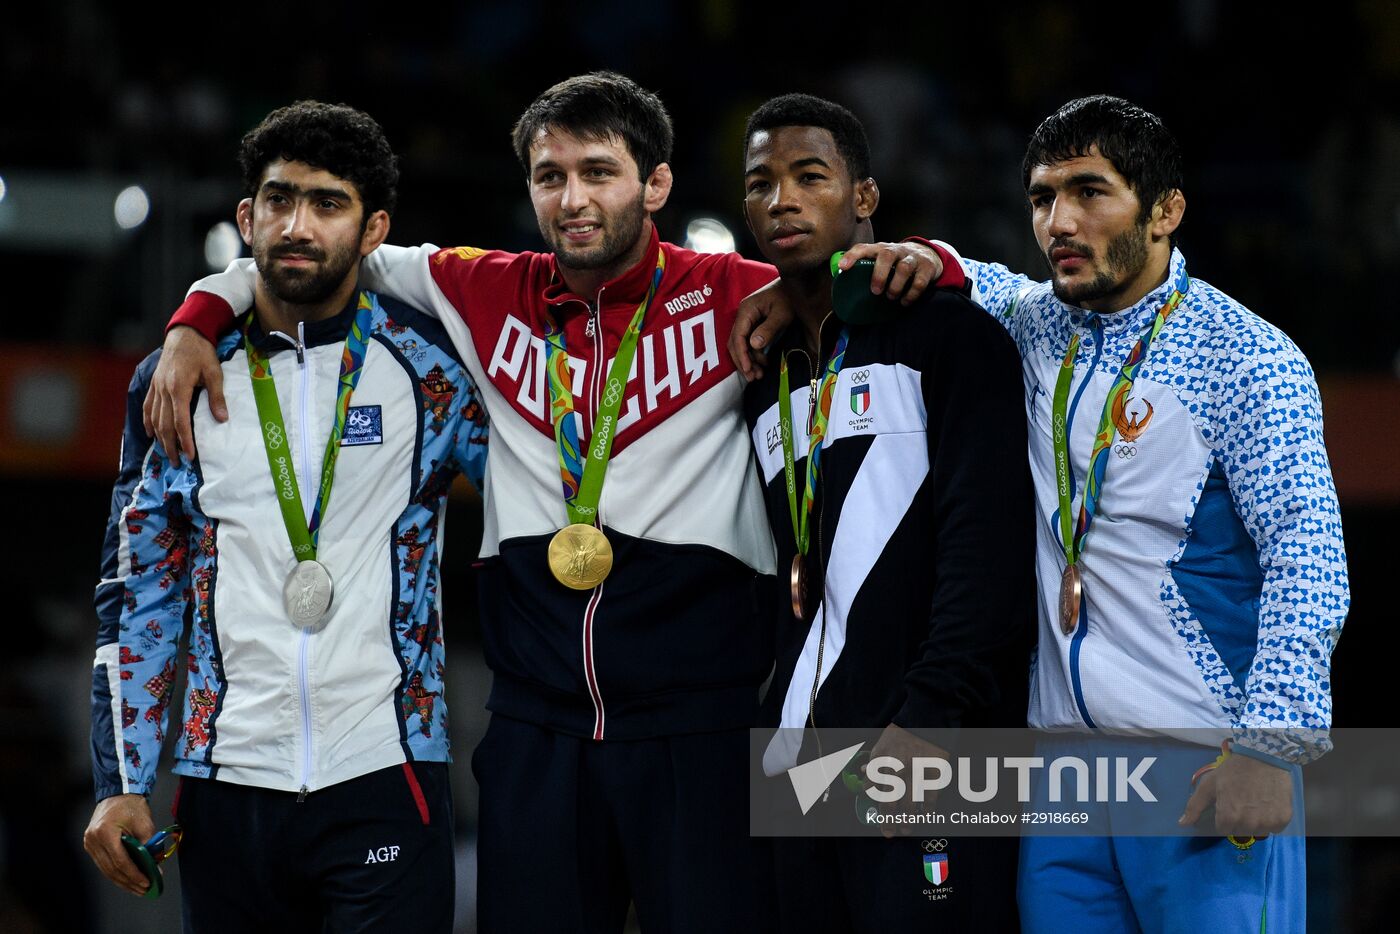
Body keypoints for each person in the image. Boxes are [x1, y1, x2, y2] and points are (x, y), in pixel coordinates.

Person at [144, 73, 949, 932]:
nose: (573, 198)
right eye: (550, 175)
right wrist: (196, 317)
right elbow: (307, 248)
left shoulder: (733, 288)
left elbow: (885, 275)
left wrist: (934, 259)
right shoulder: (478, 288)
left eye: (599, 172)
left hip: (701, 730)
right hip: (536, 735)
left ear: (657, 184)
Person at [733, 94, 1350, 933]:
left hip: (1203, 763)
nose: (1060, 220)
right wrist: (795, 294)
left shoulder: (1249, 358)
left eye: (1091, 192)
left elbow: (1308, 556)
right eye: (1042, 197)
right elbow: (944, 272)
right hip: (1059, 779)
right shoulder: (1033, 324)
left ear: (1165, 210)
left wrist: (1274, 744)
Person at [84, 101, 488, 932]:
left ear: (374, 228)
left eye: (327, 203)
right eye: (278, 200)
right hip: (228, 784)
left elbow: (546, 500)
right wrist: (122, 780)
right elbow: (139, 595)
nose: (296, 225)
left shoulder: (434, 379)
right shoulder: (176, 384)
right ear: (246, 216)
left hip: (387, 773)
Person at [737, 92, 1036, 932]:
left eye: (809, 176)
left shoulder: (951, 337)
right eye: (761, 183)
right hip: (800, 761)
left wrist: (931, 720)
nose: (782, 200)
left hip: (930, 748)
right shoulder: (769, 381)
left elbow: (990, 553)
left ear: (864, 197)